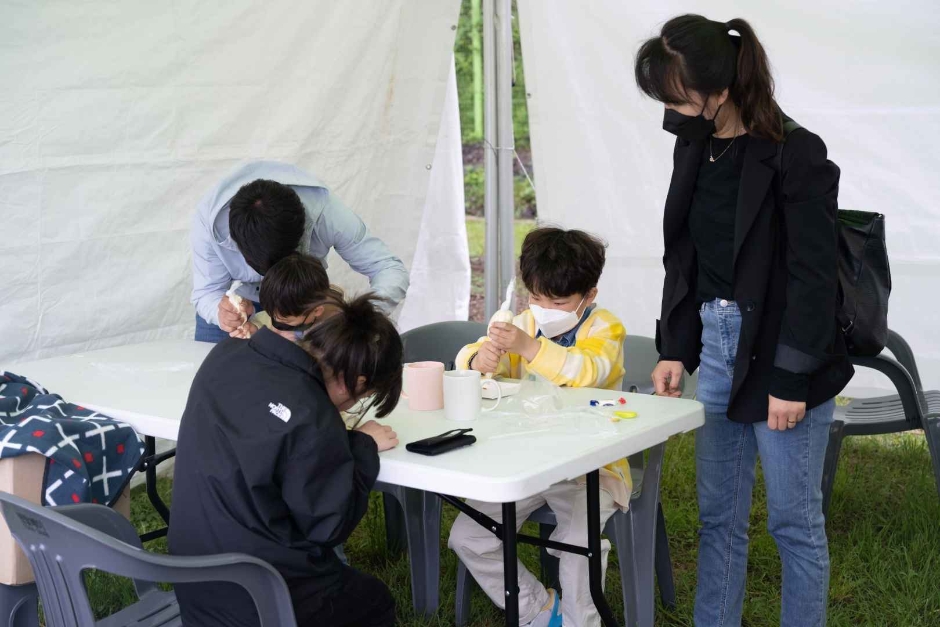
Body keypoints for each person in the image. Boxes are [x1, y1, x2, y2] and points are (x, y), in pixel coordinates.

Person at [635, 15, 854, 627]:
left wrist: (792, 379)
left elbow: (814, 278)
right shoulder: (693, 140)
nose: (669, 107)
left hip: (781, 351)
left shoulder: (795, 153)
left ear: (721, 90)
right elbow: (685, 254)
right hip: (716, 338)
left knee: (793, 524)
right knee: (718, 517)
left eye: (676, 93)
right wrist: (677, 345)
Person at [168, 293, 403, 627]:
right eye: (361, 398)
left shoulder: (227, 352)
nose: (352, 406)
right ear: (359, 382)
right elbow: (327, 524)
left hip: (193, 579)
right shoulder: (311, 411)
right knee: (373, 601)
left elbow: (268, 435)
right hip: (261, 594)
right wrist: (362, 447)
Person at [449, 227, 628, 627]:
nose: (544, 308)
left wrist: (528, 347)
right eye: (535, 297)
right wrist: (479, 360)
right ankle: (541, 612)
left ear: (590, 295)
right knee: (469, 536)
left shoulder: (605, 329)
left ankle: (582, 621)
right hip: (525, 462)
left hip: (590, 470)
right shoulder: (524, 323)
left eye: (559, 301)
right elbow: (470, 358)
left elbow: (587, 371)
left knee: (577, 542)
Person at [191, 160, 409, 343]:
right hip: (242, 308)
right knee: (211, 377)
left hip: (300, 303)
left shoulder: (326, 212)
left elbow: (388, 268)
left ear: (301, 233)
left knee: (300, 381)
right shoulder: (210, 221)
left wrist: (357, 318)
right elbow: (207, 292)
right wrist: (223, 315)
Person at [230, 252, 340, 341]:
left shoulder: (333, 332)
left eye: (287, 322)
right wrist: (256, 331)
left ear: (316, 311)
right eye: (274, 318)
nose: (278, 324)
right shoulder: (287, 308)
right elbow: (264, 319)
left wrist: (285, 345)